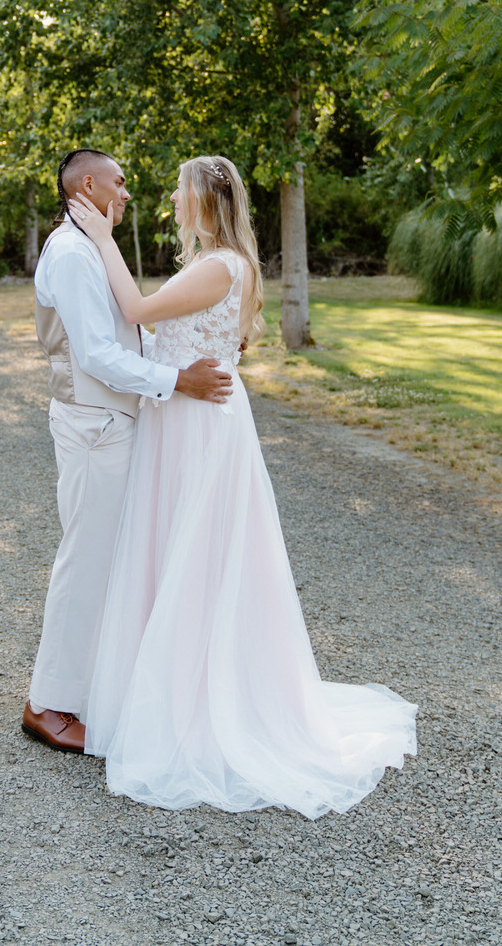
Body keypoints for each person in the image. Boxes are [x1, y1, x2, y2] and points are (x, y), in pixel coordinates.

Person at [67, 154, 418, 817]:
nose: (169, 200)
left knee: (197, 557)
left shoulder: (219, 266)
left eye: (178, 192)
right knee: (186, 553)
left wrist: (104, 240)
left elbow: (138, 308)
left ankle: (200, 703)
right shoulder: (224, 265)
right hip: (192, 418)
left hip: (197, 425)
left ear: (204, 200)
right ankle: (178, 687)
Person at [23, 148, 233, 754]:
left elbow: (131, 332)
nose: (128, 193)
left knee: (112, 560)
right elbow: (93, 354)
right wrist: (177, 382)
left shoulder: (90, 249)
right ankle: (48, 704)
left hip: (113, 421)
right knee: (85, 560)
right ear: (87, 184)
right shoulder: (69, 252)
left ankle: (86, 690)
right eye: (119, 182)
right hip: (93, 425)